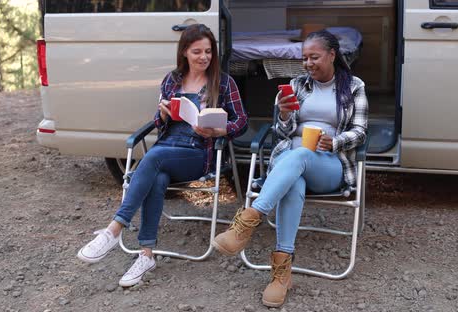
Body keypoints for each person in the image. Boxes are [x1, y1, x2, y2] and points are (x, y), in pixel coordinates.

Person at [77, 24, 248, 287]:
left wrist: (216, 130)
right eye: (197, 52)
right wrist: (164, 114)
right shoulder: (172, 80)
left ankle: (114, 229)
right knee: (156, 178)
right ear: (184, 53)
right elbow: (159, 123)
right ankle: (146, 255)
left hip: (198, 151)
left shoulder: (224, 82)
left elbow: (242, 122)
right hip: (169, 146)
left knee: (152, 159)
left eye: (208, 52)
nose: (204, 57)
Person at [212, 30, 368, 308]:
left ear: (332, 55)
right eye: (304, 58)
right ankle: (281, 274)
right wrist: (283, 114)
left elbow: (360, 131)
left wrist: (335, 141)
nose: (308, 63)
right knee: (292, 178)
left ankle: (250, 218)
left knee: (299, 157)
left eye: (314, 57)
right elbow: (283, 133)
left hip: (329, 165)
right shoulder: (297, 85)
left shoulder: (354, 86)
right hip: (291, 162)